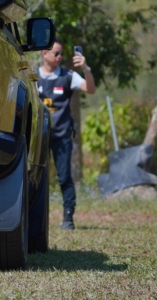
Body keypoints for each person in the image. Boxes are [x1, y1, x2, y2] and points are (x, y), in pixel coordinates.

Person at [37, 38, 95, 230]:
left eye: (62, 53)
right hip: (38, 137)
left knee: (64, 177)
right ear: (44, 54)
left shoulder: (68, 76)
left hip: (62, 135)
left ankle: (68, 218)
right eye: (56, 53)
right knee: (34, 177)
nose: (60, 57)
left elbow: (91, 89)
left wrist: (86, 69)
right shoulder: (32, 77)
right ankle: (34, 218)